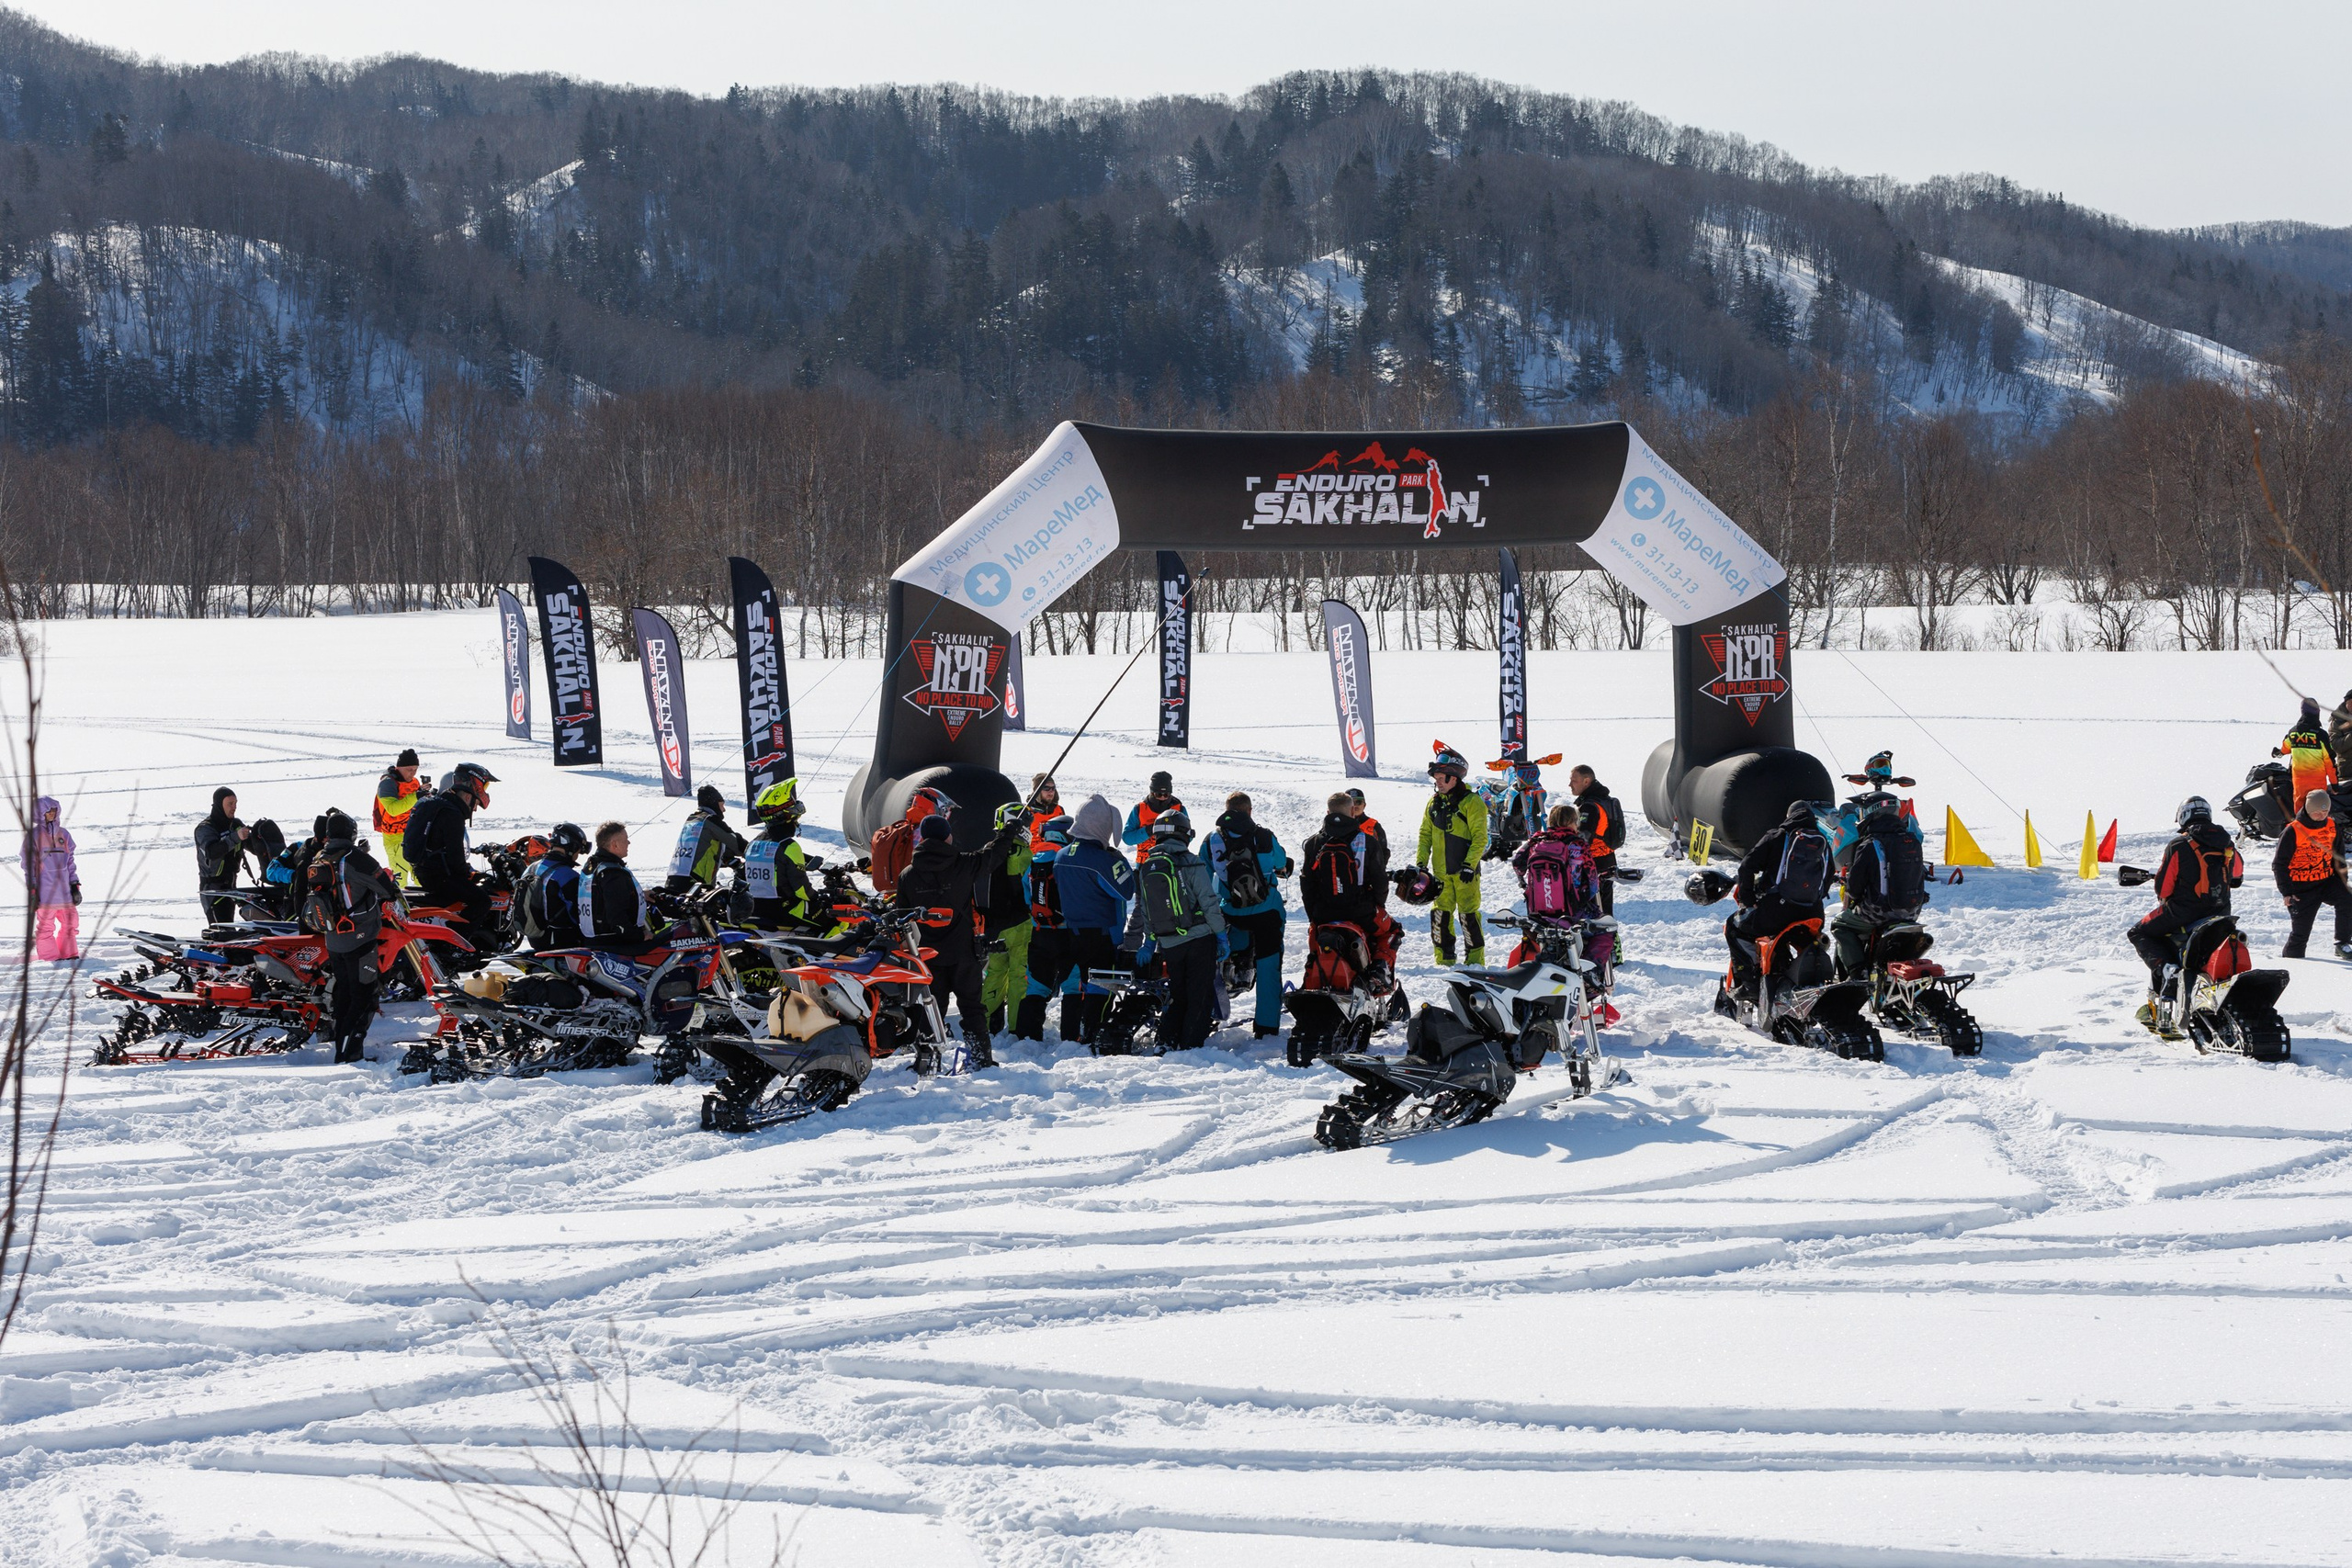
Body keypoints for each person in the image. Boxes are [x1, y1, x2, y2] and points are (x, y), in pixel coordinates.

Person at [894, 806, 1022, 1066]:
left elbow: (901, 917)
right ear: (947, 837)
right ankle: (980, 1058)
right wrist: (1010, 829)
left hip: (927, 954)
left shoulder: (908, 875)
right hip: (965, 952)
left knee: (932, 1009)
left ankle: (927, 1061)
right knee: (972, 1007)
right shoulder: (963, 863)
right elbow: (994, 855)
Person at [1026, 795, 1136, 1043]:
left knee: (1082, 985)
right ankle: (1094, 1035)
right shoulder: (1100, 859)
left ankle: (1079, 1034)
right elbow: (1125, 890)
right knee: (1102, 986)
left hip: (1073, 932)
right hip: (1102, 932)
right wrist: (1118, 859)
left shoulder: (1063, 855)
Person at [2128, 796, 2244, 1020]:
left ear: (2183, 816)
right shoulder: (2227, 844)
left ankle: (2168, 970)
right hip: (2221, 914)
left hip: (2182, 912)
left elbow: (2163, 888)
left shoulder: (2179, 844)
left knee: (2138, 932)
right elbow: (2236, 876)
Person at [303, 807, 399, 1064]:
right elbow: (386, 888)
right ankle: (351, 1054)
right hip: (360, 938)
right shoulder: (356, 858)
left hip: (333, 939)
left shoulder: (321, 857)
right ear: (352, 834)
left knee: (344, 993)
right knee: (365, 996)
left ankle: (340, 1048)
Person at [1723, 799, 1836, 1005]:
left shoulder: (1778, 836)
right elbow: (1828, 878)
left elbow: (1747, 866)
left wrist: (1748, 899)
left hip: (1777, 913)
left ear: (1788, 816)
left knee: (1735, 927)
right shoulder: (1823, 842)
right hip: (1813, 916)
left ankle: (1750, 984)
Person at [1136, 810, 1227, 1050]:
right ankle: (1190, 1045)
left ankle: (1166, 1040)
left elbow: (1146, 909)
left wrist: (1149, 941)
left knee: (1178, 993)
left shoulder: (1147, 866)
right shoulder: (1190, 861)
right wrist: (1220, 935)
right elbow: (1208, 902)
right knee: (1199, 995)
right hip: (1198, 938)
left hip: (1169, 942)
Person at [1206, 793, 1292, 1039]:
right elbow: (1280, 860)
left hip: (1231, 911)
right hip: (1266, 911)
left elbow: (1203, 870)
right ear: (1250, 810)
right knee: (1269, 966)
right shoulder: (1264, 836)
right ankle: (1265, 1027)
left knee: (1221, 957)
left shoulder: (1212, 839)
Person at [1301, 791, 1399, 979]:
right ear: (1353, 812)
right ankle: (1379, 970)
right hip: (1360, 911)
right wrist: (1377, 906)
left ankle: (1315, 966)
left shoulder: (1314, 843)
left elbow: (1307, 883)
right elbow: (1380, 881)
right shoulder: (1367, 841)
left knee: (1316, 941)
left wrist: (1313, 915)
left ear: (1328, 812)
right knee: (1393, 930)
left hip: (1324, 913)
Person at [1830, 799, 1931, 978]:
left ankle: (1857, 971)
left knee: (1840, 924)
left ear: (1870, 814)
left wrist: (1854, 894)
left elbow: (1855, 887)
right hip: (1911, 912)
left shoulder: (1871, 844)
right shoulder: (1912, 841)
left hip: (1879, 912)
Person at [403, 762, 500, 947]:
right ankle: (453, 946)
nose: (476, 806)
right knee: (482, 901)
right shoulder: (451, 813)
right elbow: (455, 858)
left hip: (426, 872)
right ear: (472, 785)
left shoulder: (438, 804)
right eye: (484, 786)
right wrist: (468, 874)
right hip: (439, 877)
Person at [1416, 743, 1489, 966]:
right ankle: (1444, 959)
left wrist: (1469, 865)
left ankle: (1475, 961)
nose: (1437, 782)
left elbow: (1480, 838)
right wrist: (1421, 864)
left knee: (1468, 917)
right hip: (1440, 874)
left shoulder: (1472, 802)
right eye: (1436, 778)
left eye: (1441, 778)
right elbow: (1425, 834)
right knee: (1440, 917)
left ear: (1454, 778)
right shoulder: (1434, 803)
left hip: (1465, 873)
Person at [2274, 788, 2352, 961]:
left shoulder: (2332, 826)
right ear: (2309, 810)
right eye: (2317, 812)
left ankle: (2342, 943)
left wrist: (2342, 882)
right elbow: (2279, 864)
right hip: (2300, 888)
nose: (2322, 815)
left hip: (2325, 881)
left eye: (2325, 811)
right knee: (2300, 934)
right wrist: (2286, 892)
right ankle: (2293, 963)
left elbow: (2339, 858)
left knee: (2347, 899)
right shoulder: (2293, 831)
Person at [1015, 818, 1075, 1040]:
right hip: (1067, 932)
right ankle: (1071, 1037)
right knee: (1071, 985)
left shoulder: (1034, 860)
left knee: (1036, 986)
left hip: (1040, 931)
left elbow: (1026, 897)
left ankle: (1027, 1036)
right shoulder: (1067, 860)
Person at [981, 801, 1037, 1033]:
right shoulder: (1021, 852)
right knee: (1019, 975)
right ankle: (1017, 1026)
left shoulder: (988, 848)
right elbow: (1025, 887)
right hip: (1019, 922)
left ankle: (981, 1022)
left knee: (994, 974)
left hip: (993, 924)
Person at [742, 780, 821, 931]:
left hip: (755, 909)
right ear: (785, 814)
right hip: (783, 911)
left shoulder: (752, 844)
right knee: (834, 919)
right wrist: (818, 898)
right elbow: (802, 890)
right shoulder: (789, 846)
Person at [22, 795, 81, 962]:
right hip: (45, 894)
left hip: (65, 892)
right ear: (39, 813)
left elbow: (70, 861)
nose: (52, 814)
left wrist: (74, 884)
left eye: (54, 810)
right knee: (46, 927)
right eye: (48, 811)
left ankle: (69, 954)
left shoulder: (64, 835)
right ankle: (50, 957)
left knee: (71, 923)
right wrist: (32, 889)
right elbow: (28, 864)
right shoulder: (33, 836)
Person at [577, 821, 654, 947]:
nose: (629, 843)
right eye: (626, 840)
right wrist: (640, 936)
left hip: (593, 941)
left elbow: (599, 898)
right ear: (615, 845)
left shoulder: (593, 865)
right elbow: (617, 917)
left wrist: (637, 895)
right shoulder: (612, 873)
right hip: (613, 945)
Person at [516, 822, 589, 949]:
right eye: (579, 850)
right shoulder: (568, 876)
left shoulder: (531, 868)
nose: (578, 855)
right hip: (562, 941)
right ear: (572, 847)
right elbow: (580, 915)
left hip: (535, 939)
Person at [668, 784, 748, 895]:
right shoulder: (710, 820)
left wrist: (728, 858)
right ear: (714, 803)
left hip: (674, 878)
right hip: (694, 884)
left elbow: (703, 849)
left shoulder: (692, 820)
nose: (723, 810)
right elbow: (736, 843)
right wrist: (754, 851)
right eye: (722, 805)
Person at [1567, 765, 1626, 914]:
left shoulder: (1589, 806)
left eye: (1574, 781)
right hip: (1608, 860)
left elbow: (1583, 838)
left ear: (1586, 781)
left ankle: (1600, 936)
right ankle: (1611, 936)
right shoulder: (1605, 800)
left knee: (1591, 910)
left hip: (1593, 863)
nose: (1570, 785)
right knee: (1605, 908)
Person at [195, 787, 251, 923]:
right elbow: (212, 852)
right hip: (213, 889)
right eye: (230, 804)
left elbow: (252, 845)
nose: (234, 807)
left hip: (230, 885)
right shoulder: (205, 828)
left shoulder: (235, 824)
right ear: (220, 804)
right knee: (220, 931)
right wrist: (236, 837)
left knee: (228, 928)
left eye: (235, 803)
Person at [2276, 698, 2338, 811]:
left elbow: (2285, 748)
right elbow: (2330, 762)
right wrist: (2334, 784)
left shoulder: (2293, 732)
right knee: (2318, 812)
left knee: (2300, 812)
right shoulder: (2321, 735)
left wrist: (2278, 753)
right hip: (2317, 784)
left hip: (2299, 782)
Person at [374, 749, 424, 887]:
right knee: (399, 880)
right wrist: (416, 796)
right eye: (409, 769)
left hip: (413, 834)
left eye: (415, 769)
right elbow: (393, 810)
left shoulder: (414, 782)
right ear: (399, 767)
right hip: (395, 837)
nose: (413, 773)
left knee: (422, 876)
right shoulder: (387, 784)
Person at [1023, 773, 1069, 852]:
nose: (1051, 791)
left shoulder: (1059, 810)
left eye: (1053, 788)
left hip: (1055, 854)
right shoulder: (1027, 811)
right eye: (1046, 788)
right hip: (1033, 857)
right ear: (1037, 791)